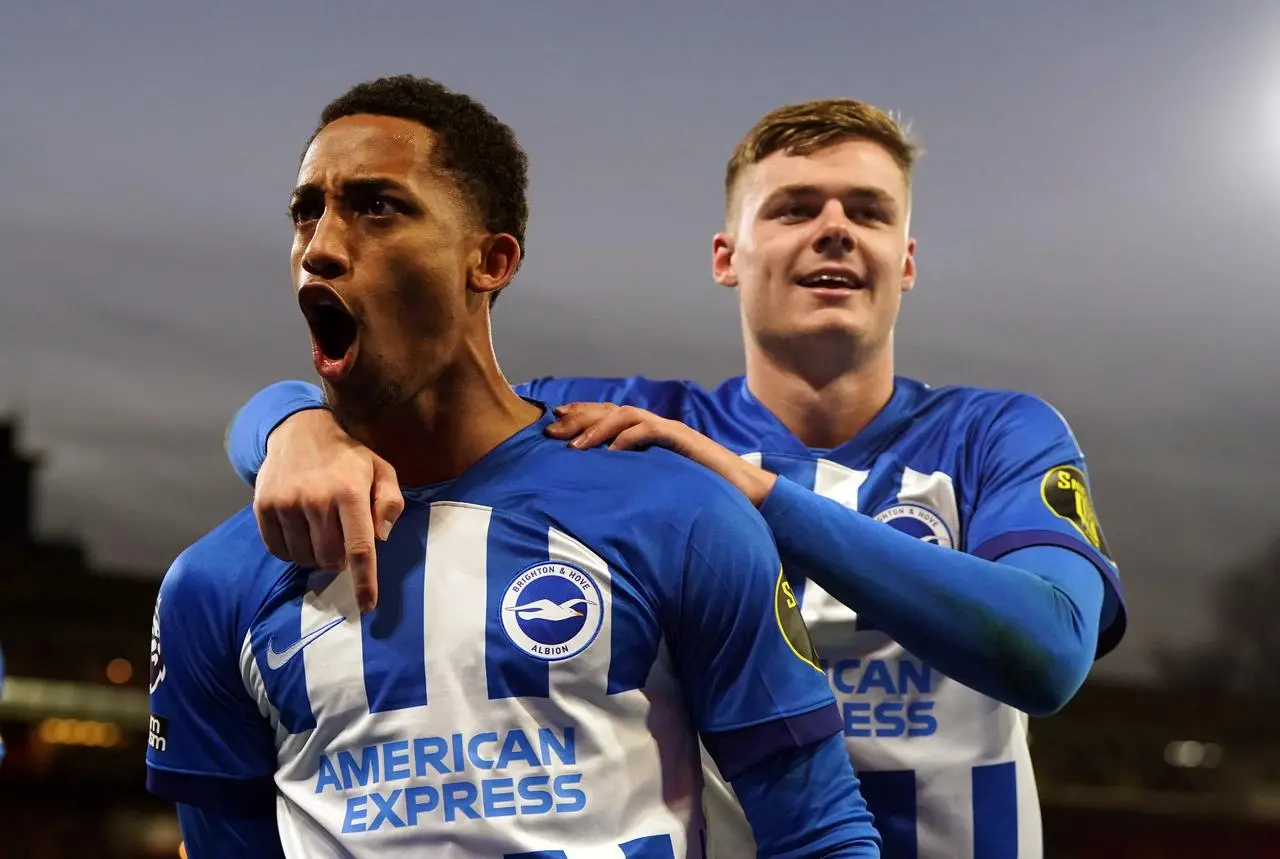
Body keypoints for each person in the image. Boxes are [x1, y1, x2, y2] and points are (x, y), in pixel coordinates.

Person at [225, 98, 1127, 858]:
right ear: (726, 256)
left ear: (907, 260)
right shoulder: (627, 423)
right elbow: (428, 406)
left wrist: (762, 496)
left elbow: (1048, 652)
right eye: (794, 207)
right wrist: (289, 425)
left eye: (869, 210)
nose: (835, 230)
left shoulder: (996, 433)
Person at [145, 76, 881, 859]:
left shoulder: (679, 517)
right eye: (306, 212)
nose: (321, 246)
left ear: (489, 261)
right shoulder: (215, 584)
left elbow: (820, 834)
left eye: (376, 206)